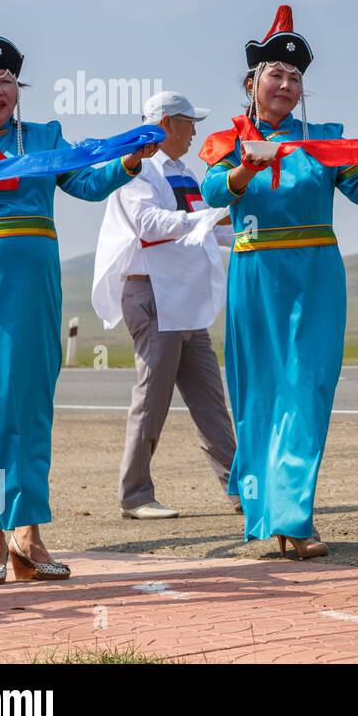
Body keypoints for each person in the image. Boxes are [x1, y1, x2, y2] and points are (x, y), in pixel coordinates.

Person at [0, 12, 154, 583]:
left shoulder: (43, 140)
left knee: (30, 410)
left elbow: (88, 182)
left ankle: (28, 535)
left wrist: (130, 159)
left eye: (7, 80)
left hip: (35, 293)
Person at [200, 6, 358, 556]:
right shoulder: (229, 143)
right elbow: (212, 193)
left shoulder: (323, 141)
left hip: (317, 277)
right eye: (276, 74)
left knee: (308, 391)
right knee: (259, 394)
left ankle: (294, 517)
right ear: (252, 82)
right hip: (256, 275)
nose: (287, 84)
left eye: (296, 78)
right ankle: (268, 511)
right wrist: (246, 169)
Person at [91, 91, 238, 520]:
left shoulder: (185, 173)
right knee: (152, 398)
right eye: (190, 122)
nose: (196, 130)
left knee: (210, 398)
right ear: (169, 123)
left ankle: (241, 490)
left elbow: (207, 226)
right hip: (152, 293)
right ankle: (134, 495)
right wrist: (208, 220)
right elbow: (150, 225)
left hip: (185, 298)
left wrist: (250, 234)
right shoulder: (138, 170)